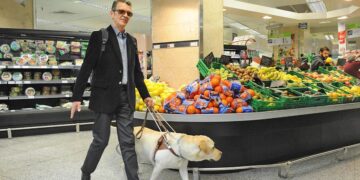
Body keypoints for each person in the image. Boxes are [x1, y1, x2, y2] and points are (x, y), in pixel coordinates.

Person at [70, 1, 154, 180]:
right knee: (101, 140)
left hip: (126, 97)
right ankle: (86, 172)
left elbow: (136, 73)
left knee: (128, 142)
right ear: (112, 13)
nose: (125, 15)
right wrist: (76, 97)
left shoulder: (132, 41)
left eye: (129, 13)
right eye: (121, 11)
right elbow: (86, 68)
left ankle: (133, 178)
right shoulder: (100, 36)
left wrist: (146, 95)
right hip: (104, 97)